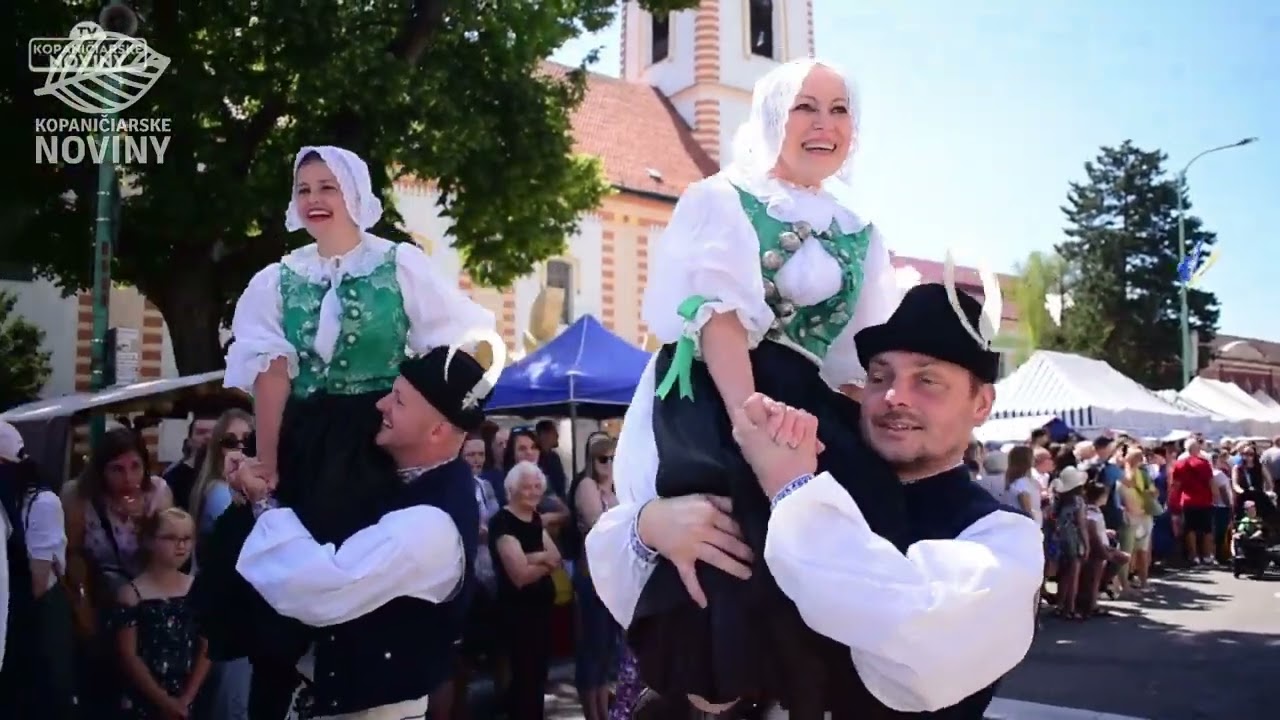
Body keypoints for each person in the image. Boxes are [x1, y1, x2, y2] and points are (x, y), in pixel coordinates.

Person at [586, 57, 912, 713]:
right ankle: (712, 690)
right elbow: (722, 323)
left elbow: (857, 361)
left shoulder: (861, 231)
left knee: (855, 522)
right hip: (722, 388)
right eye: (805, 107)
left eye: (839, 109)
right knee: (732, 534)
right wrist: (746, 419)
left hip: (805, 395)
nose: (824, 124)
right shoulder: (723, 197)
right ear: (772, 117)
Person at [588, 283, 1043, 717]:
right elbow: (618, 558)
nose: (893, 397)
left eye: (927, 381)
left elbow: (909, 625)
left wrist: (790, 488)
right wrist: (651, 528)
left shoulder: (1001, 536)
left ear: (981, 404)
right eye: (879, 375)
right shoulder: (823, 472)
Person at [200, 145, 493, 717]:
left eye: (327, 187)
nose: (314, 199)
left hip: (372, 431)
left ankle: (354, 686)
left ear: (355, 196)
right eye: (304, 188)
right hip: (305, 434)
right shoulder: (277, 279)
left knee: (354, 572)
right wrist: (269, 458)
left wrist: (438, 421)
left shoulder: (401, 265)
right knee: (276, 598)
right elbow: (272, 374)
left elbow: (451, 345)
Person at [231, 347, 485, 720]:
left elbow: (320, 586)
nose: (381, 405)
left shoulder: (432, 525)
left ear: (437, 430)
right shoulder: (391, 480)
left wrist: (263, 500)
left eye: (398, 400)